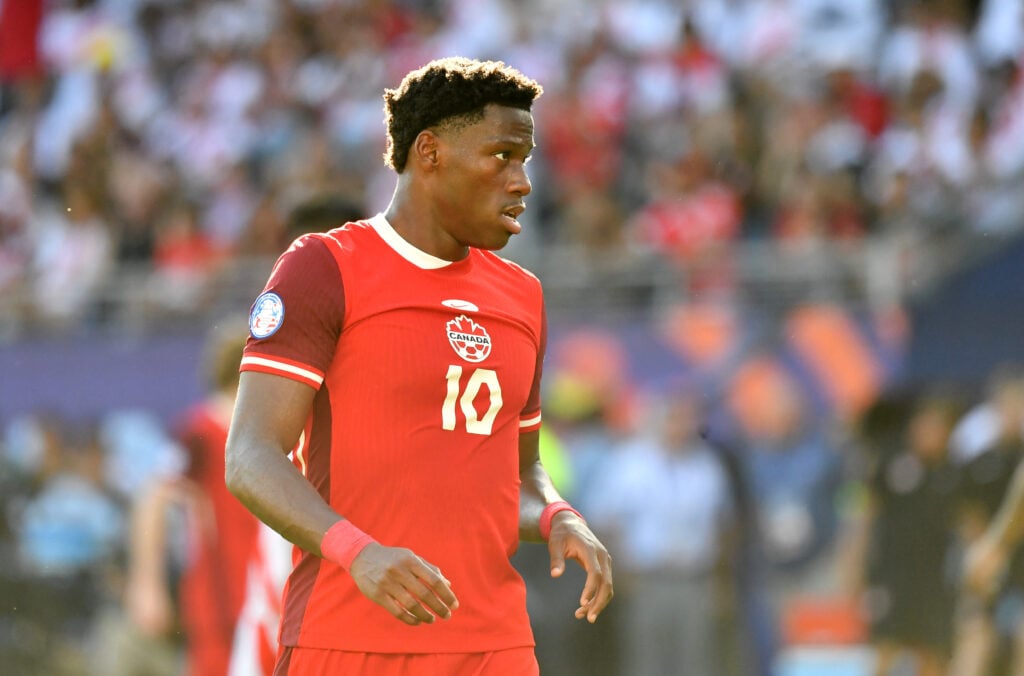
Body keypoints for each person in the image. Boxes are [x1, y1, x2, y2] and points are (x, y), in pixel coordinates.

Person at [224, 56, 614, 675]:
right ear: (429, 153)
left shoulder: (524, 296)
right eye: (502, 156)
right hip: (348, 640)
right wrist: (358, 553)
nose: (522, 181)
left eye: (526, 160)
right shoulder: (326, 267)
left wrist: (557, 513)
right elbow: (249, 457)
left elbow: (520, 469)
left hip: (494, 647)